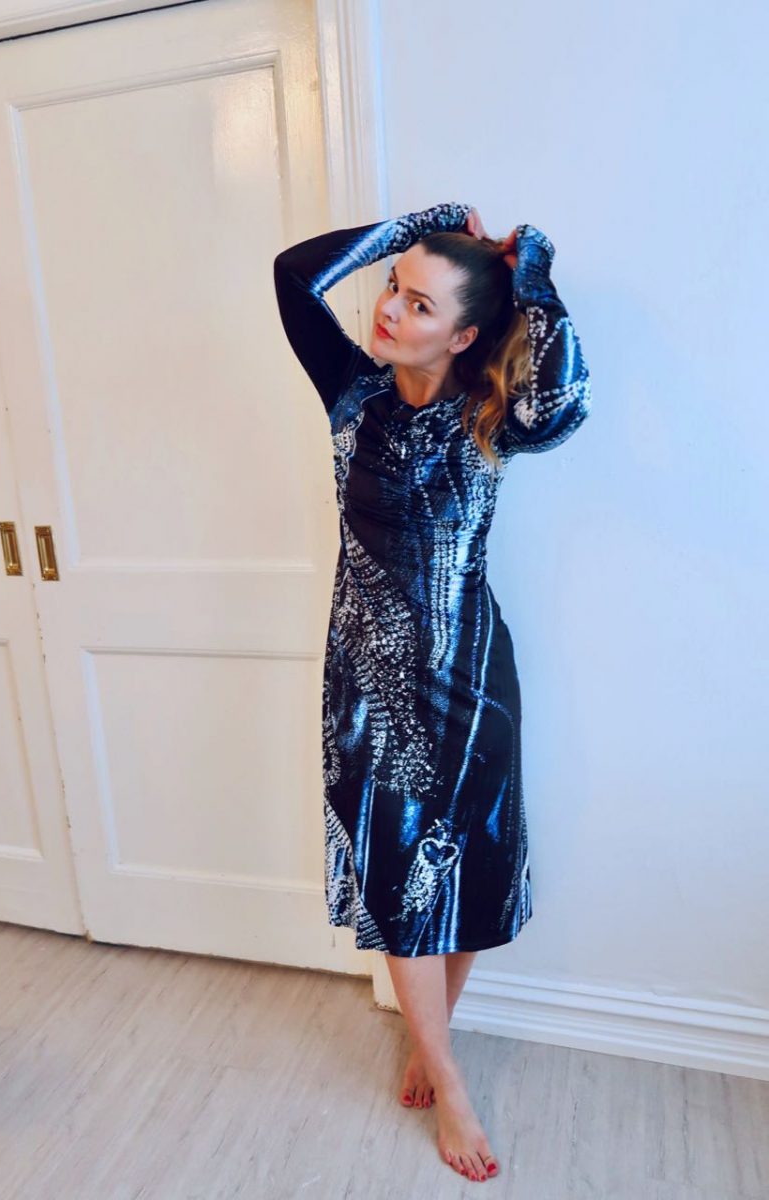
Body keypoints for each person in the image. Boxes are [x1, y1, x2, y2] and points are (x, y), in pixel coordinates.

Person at [273, 201, 591, 1182]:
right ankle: (449, 1079)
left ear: (461, 335)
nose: (388, 310)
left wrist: (529, 276)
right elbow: (292, 275)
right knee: (396, 878)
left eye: (419, 305)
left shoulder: (494, 416)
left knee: (466, 873)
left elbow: (567, 395)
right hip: (367, 687)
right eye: (392, 290)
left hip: (471, 678)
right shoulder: (352, 394)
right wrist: (416, 226)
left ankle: (430, 1037)